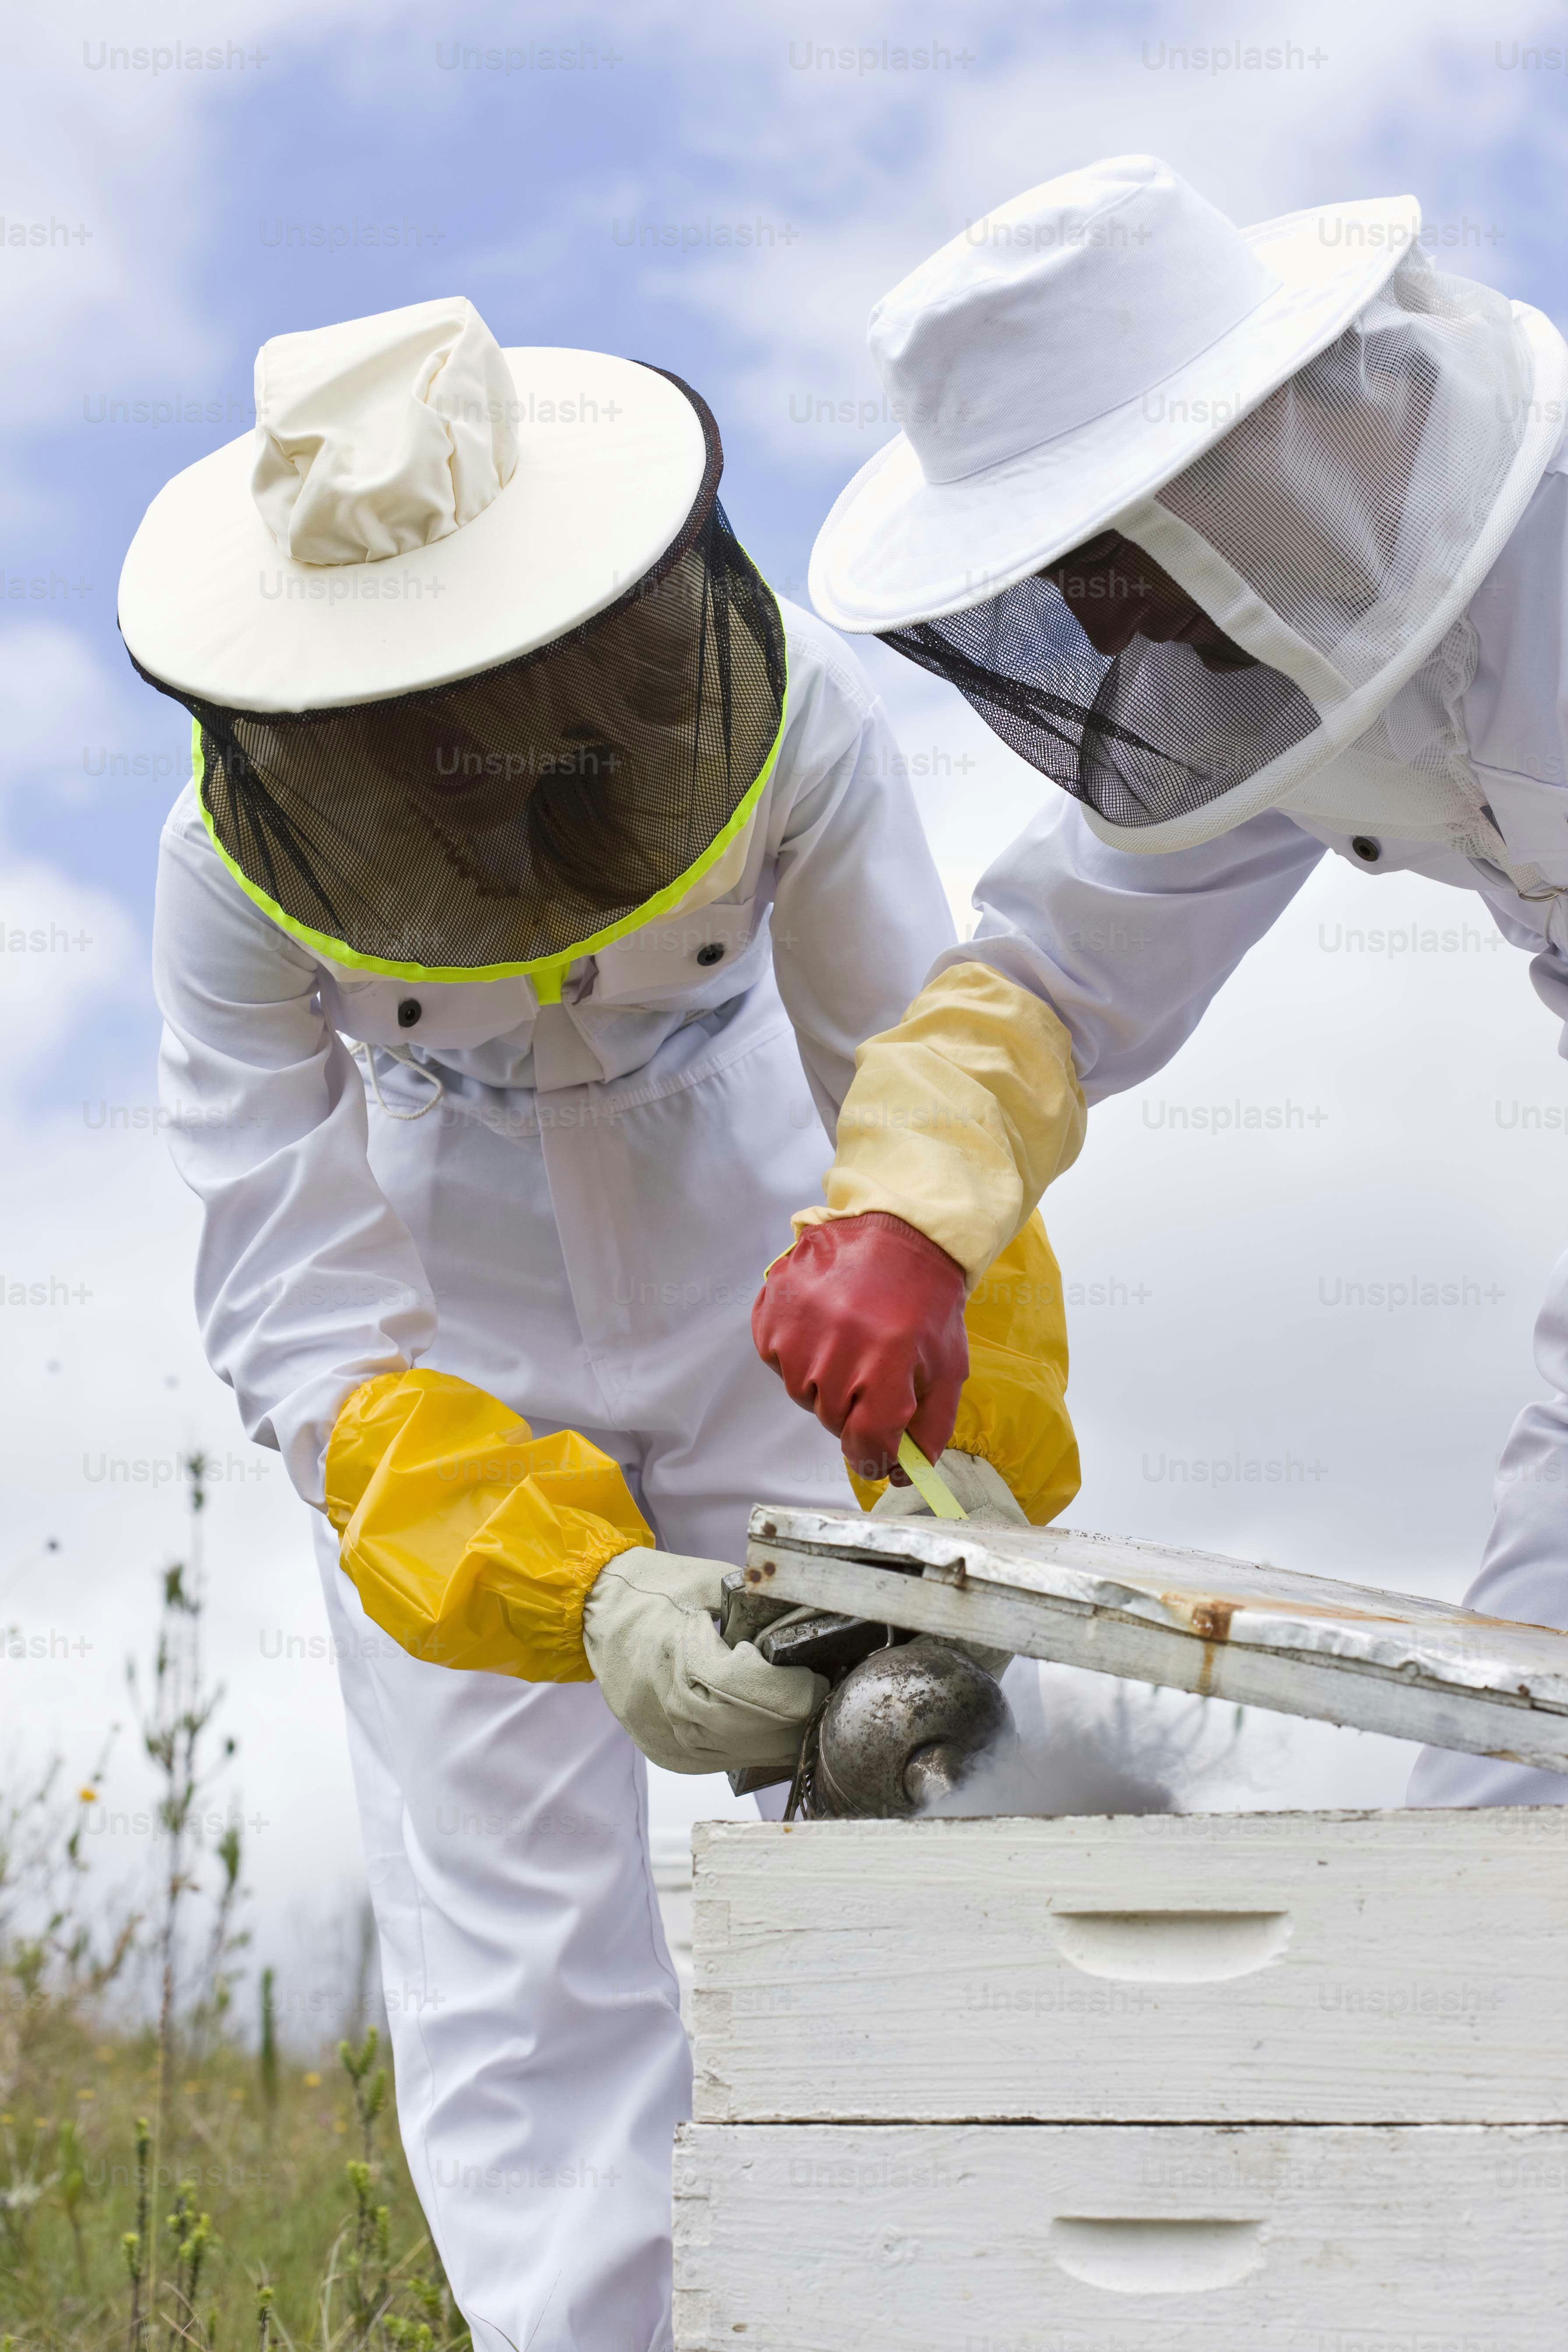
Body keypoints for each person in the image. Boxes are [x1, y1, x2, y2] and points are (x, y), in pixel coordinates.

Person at [124, 296, 1074, 2352]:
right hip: (448, 1336)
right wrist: (565, 1588)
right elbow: (294, 1290)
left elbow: (911, 1088)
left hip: (773, 1268)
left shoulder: (788, 714)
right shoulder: (225, 863)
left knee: (920, 1788)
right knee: (520, 1950)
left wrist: (969, 1444)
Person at [753, 153, 1568, 1811]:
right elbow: (1053, 970)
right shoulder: (1277, 648)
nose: (1082, 609)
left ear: (1265, 442)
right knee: (1513, 1779)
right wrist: (904, 1208)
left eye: (1098, 541)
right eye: (1043, 565)